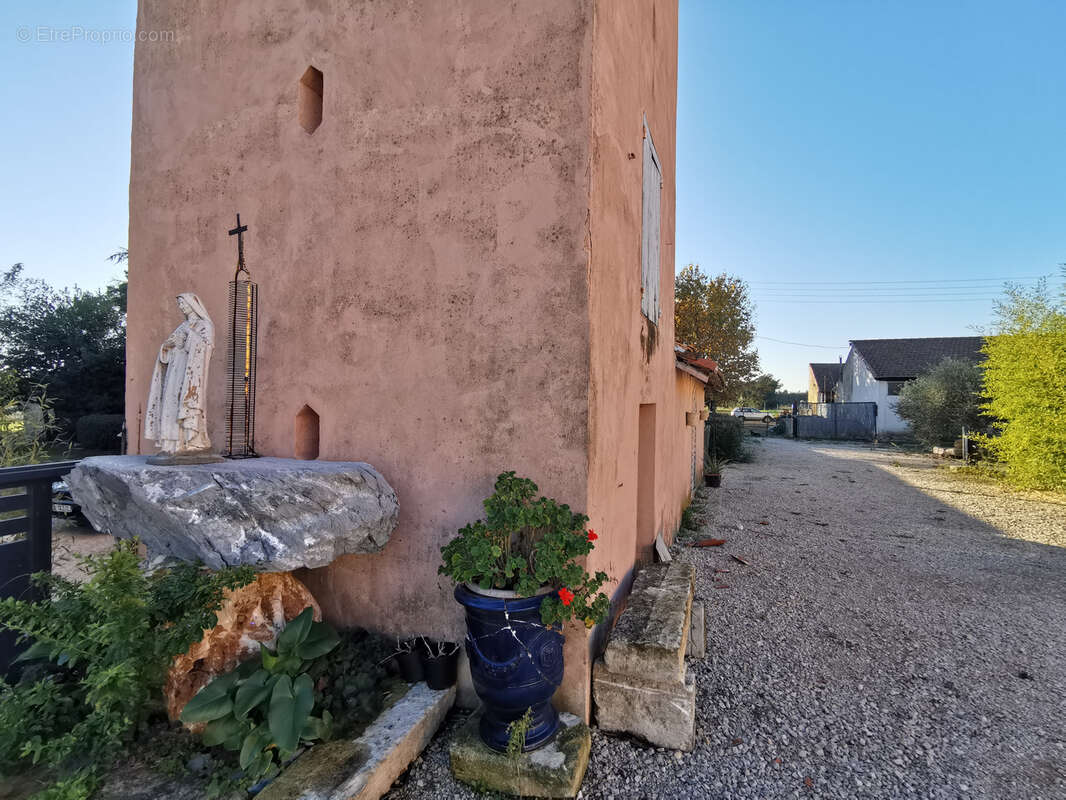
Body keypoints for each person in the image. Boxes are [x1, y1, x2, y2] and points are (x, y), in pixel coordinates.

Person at [145, 293, 220, 461]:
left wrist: (188, 339)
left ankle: (190, 443)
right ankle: (172, 445)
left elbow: (206, 348)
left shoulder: (204, 325)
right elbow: (169, 348)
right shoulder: (182, 326)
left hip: (191, 376)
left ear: (193, 304)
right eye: (179, 304)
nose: (181, 307)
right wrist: (167, 346)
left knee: (184, 403)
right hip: (175, 370)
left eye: (183, 303)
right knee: (171, 403)